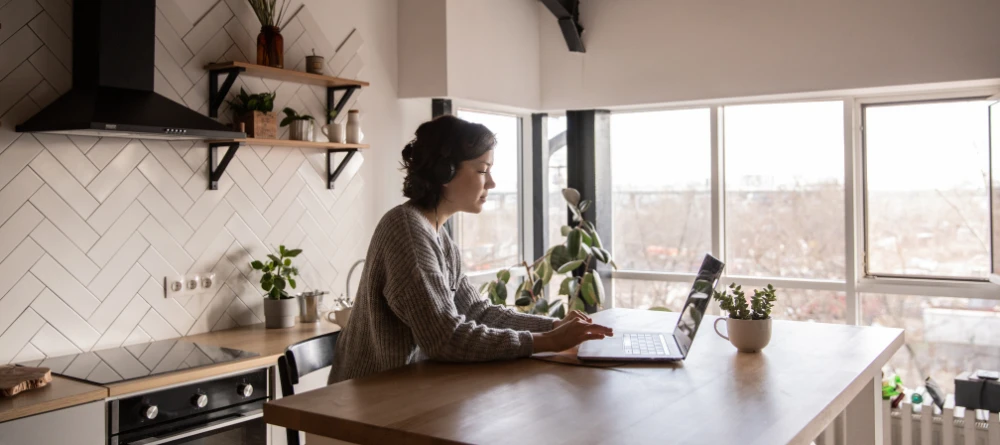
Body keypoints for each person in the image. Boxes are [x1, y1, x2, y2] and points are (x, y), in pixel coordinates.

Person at [328, 115, 614, 384]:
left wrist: (553, 326)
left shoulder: (436, 234)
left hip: (408, 390)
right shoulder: (407, 231)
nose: (491, 182)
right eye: (482, 170)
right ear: (444, 172)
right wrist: (547, 341)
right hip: (364, 406)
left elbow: (476, 311)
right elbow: (445, 338)